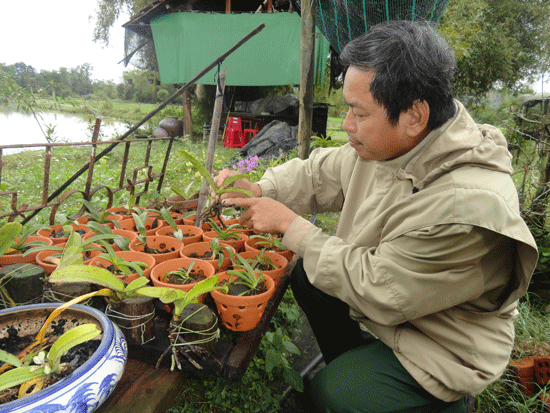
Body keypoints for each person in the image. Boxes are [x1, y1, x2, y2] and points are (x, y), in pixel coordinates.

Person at [213, 20, 538, 413]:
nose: (347, 125)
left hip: (442, 344)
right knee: (309, 277)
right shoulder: (402, 142)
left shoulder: (467, 207)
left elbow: (384, 290)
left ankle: (436, 404)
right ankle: (360, 363)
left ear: (414, 115)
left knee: (335, 390)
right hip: (400, 306)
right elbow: (321, 173)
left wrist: (290, 226)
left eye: (358, 113)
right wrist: (261, 188)